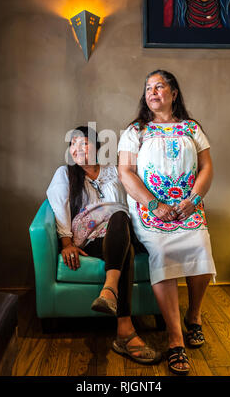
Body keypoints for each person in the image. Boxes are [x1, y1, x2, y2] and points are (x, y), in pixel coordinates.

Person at [118, 70, 216, 375]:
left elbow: (207, 166)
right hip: (151, 212)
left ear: (174, 93)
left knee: (200, 244)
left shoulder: (191, 128)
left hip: (188, 209)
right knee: (162, 251)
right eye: (148, 87)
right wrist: (154, 204)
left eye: (159, 86)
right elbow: (125, 172)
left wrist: (194, 200)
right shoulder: (136, 130)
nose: (152, 91)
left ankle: (194, 317)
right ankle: (176, 340)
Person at [46, 126, 161, 365]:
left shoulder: (115, 172)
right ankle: (125, 330)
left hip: (124, 230)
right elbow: (59, 207)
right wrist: (66, 243)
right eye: (73, 144)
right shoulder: (65, 174)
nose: (77, 149)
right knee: (124, 245)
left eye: (84, 143)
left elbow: (133, 203)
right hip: (92, 240)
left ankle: (109, 292)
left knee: (120, 218)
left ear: (98, 147)